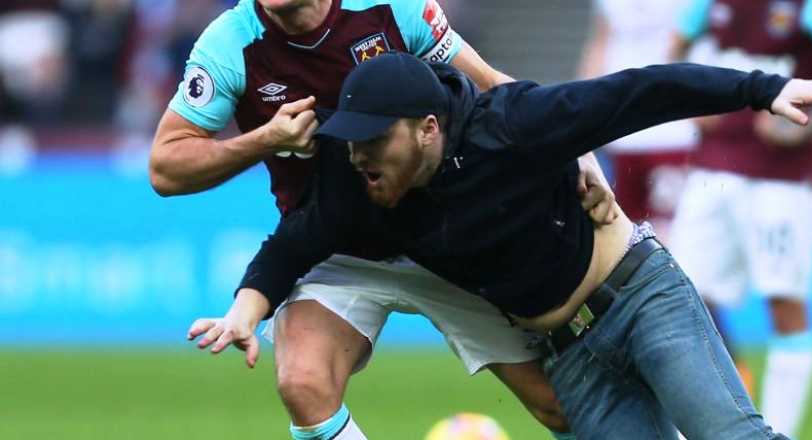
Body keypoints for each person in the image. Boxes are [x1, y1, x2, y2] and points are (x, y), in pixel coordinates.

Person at [234, 52, 812, 439]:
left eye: (373, 139)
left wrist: (763, 90)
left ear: (427, 129)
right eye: (351, 139)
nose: (358, 154)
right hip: (569, 358)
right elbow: (295, 242)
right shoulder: (366, 190)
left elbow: (642, 91)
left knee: (732, 437)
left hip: (641, 301)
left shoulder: (513, 123)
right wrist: (247, 307)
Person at [149, 1, 616, 438]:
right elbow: (165, 167)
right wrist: (265, 139)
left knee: (558, 405)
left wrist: (575, 150)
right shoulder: (231, 42)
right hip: (334, 246)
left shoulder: (393, 8)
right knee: (303, 382)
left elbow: (493, 85)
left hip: (445, 236)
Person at [667, 0, 812, 437]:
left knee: (784, 305)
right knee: (677, 303)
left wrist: (805, 126)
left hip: (782, 179)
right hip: (711, 171)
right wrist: (687, 100)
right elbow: (675, 44)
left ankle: (777, 433)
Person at [576, 0, 697, 231]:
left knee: (671, 229)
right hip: (621, 130)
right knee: (623, 228)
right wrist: (584, 108)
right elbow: (601, 41)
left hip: (673, 131)